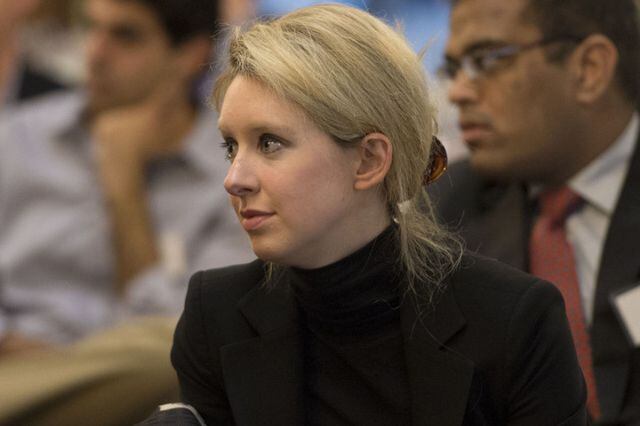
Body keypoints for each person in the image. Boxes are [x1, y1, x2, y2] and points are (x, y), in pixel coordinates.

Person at [170, 4, 588, 424]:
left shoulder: (511, 320)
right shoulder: (216, 315)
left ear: (369, 160)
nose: (234, 179)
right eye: (231, 146)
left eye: (270, 143)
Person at [0, 0, 252, 422]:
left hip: (134, 395)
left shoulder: (233, 179)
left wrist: (124, 186)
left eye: (125, 36)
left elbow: (182, 344)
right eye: (92, 29)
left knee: (167, 358)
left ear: (188, 55)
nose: (95, 53)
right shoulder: (18, 138)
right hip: (14, 366)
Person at [431, 0, 640, 424]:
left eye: (487, 60)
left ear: (589, 69)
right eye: (453, 68)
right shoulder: (439, 217)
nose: (458, 92)